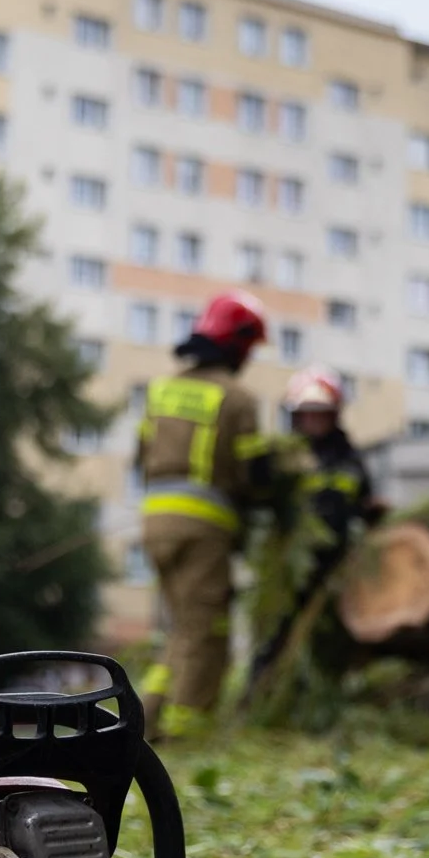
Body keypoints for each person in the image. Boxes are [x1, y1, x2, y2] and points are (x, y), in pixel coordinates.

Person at [136, 291, 276, 739]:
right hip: (204, 529)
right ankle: (187, 731)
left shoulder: (161, 390)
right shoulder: (237, 398)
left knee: (180, 628)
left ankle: (145, 720)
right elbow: (254, 474)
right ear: (238, 345)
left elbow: (141, 456)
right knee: (207, 630)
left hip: (155, 524)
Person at [247, 366, 384, 688]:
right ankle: (258, 696)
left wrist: (372, 513)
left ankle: (327, 695)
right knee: (276, 639)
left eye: (320, 413)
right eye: (306, 413)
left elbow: (361, 503)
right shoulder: (286, 457)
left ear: (334, 414)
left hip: (338, 567)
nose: (313, 420)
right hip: (290, 569)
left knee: (331, 642)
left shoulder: (350, 459)